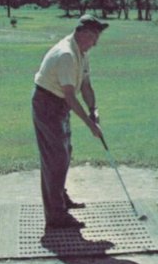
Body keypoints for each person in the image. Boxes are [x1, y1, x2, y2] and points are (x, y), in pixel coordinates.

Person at [32, 14, 106, 229]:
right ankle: (56, 216)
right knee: (55, 157)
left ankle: (60, 199)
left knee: (64, 153)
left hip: (59, 104)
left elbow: (85, 86)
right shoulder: (66, 54)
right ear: (82, 33)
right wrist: (90, 125)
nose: (96, 43)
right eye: (94, 37)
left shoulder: (81, 53)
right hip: (47, 104)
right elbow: (70, 95)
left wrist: (94, 110)